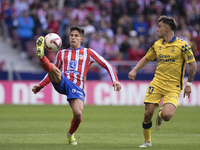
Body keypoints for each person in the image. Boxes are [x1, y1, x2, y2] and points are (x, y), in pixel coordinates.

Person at [32, 26, 121, 145]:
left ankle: (70, 134)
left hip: (77, 87)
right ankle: (41, 56)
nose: (73, 38)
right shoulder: (62, 53)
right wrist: (41, 85)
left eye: (76, 36)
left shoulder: (88, 52)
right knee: (53, 68)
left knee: (78, 114)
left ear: (81, 39)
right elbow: (52, 72)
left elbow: (106, 64)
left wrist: (115, 80)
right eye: (71, 35)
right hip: (62, 81)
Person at [128, 15, 197, 147]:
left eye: (159, 27)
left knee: (167, 116)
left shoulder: (182, 46)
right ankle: (147, 141)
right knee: (148, 112)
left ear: (166, 28)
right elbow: (147, 58)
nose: (156, 30)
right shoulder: (157, 45)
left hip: (173, 86)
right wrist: (135, 69)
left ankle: (160, 115)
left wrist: (188, 84)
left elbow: (193, 65)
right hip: (157, 83)